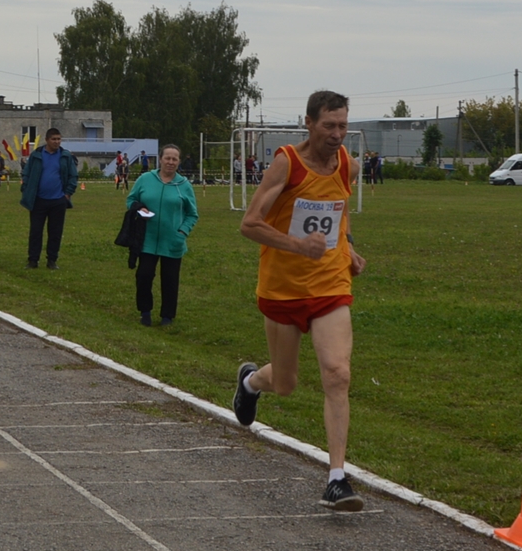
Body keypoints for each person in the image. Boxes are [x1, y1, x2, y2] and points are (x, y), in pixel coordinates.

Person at [230, 91, 368, 511]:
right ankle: (251, 382)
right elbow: (249, 224)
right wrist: (295, 245)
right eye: (329, 126)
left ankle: (336, 478)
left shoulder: (348, 165)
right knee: (286, 384)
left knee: (337, 373)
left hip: (329, 285)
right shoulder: (286, 163)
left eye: (343, 126)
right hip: (282, 287)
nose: (337, 134)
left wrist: (347, 249)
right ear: (308, 123)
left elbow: (336, 216)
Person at [127, 143, 198, 327]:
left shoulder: (184, 185)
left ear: (179, 161)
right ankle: (145, 311)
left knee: (170, 279)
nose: (170, 162)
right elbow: (131, 199)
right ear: (160, 159)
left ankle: (167, 316)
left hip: (172, 241)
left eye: (174, 159)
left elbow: (192, 214)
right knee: (143, 275)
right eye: (167, 158)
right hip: (147, 239)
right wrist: (138, 208)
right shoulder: (145, 179)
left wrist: (182, 232)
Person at [20, 128, 78, 269]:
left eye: (59, 139)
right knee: (36, 232)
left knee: (55, 232)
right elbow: (26, 173)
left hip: (58, 200)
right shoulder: (36, 155)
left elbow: (73, 176)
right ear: (47, 140)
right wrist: (26, 189)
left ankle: (52, 260)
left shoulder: (65, 156)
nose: (56, 142)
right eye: (54, 139)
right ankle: (33, 260)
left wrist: (68, 194)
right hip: (38, 200)